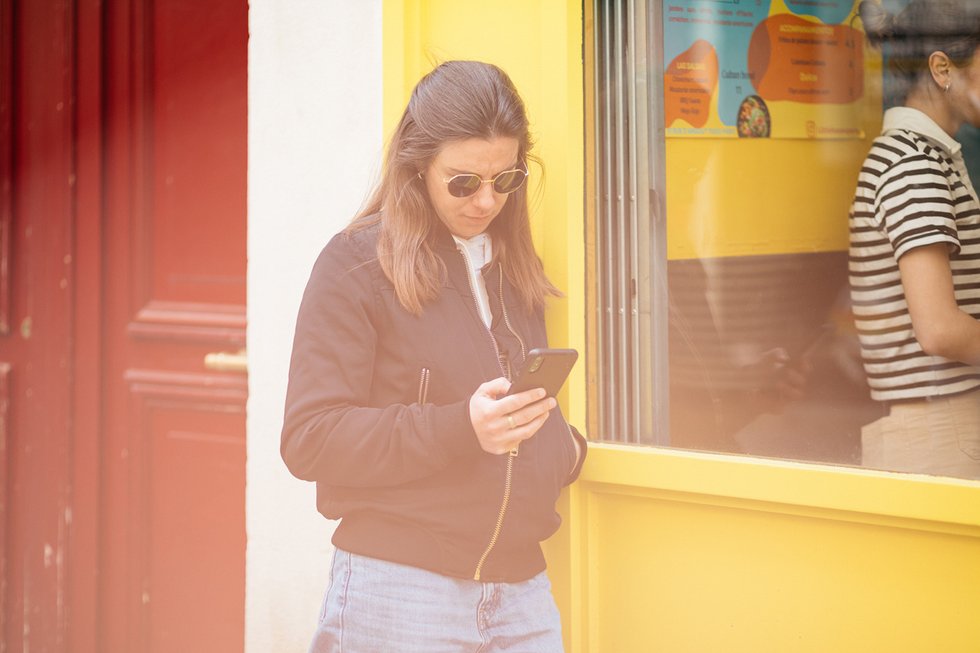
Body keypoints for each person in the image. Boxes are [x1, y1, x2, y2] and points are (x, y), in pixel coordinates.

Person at [281, 60, 587, 652]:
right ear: (417, 165)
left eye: (507, 180)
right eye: (464, 181)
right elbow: (309, 438)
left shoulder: (515, 266)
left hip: (521, 590)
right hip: (397, 589)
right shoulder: (354, 264)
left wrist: (563, 449)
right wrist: (460, 427)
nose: (486, 200)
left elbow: (522, 415)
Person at [849, 0, 980, 479]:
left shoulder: (926, 156)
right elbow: (940, 328)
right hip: (938, 426)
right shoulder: (914, 165)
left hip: (941, 421)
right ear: (942, 68)